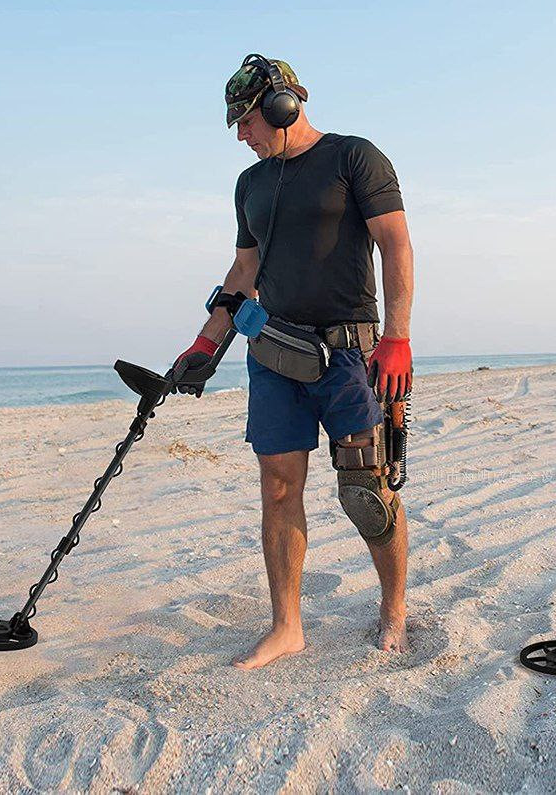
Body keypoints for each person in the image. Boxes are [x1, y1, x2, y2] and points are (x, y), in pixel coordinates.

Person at [173, 55, 414, 669]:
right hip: (275, 353)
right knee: (278, 489)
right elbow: (244, 269)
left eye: (247, 120)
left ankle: (393, 608)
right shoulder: (249, 184)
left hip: (350, 351)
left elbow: (395, 244)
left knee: (366, 489)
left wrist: (398, 337)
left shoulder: (354, 158)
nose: (241, 135)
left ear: (284, 106)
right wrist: (205, 343)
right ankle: (287, 626)